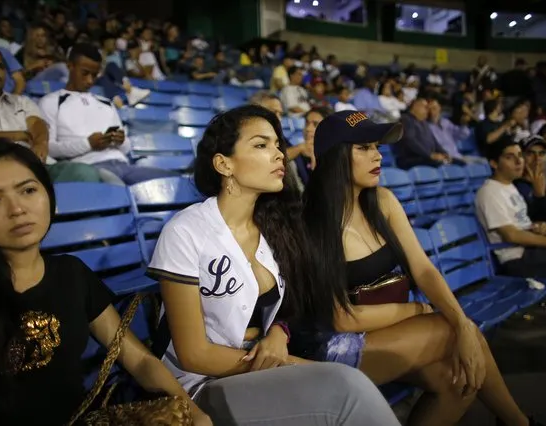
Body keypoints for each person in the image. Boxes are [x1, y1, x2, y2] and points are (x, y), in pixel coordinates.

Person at [0, 140, 212, 426]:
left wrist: (192, 412)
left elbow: (138, 360)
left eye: (28, 190)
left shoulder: (71, 273)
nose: (17, 209)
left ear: (49, 197)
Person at [147, 105, 402, 426]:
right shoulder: (185, 231)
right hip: (199, 386)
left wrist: (279, 333)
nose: (279, 153)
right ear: (223, 164)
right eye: (261, 145)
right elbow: (193, 354)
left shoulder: (275, 225)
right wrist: (289, 364)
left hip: (260, 370)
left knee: (349, 384)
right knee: (346, 386)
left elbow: (289, 308)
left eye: (277, 144)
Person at [291, 110, 544, 426]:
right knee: (451, 331)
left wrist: (463, 324)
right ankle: (519, 423)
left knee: (460, 380)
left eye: (378, 147)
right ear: (335, 157)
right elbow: (341, 319)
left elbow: (423, 269)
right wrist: (417, 311)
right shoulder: (312, 222)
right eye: (364, 148)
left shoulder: (382, 200)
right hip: (328, 348)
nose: (378, 155)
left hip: (381, 331)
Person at [0, 44, 106, 184]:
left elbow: (37, 125)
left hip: (35, 165)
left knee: (83, 172)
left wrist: (41, 143)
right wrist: (17, 135)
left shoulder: (21, 101)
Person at [39, 43, 177, 185]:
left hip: (124, 165)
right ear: (70, 66)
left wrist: (121, 140)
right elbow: (49, 148)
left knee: (176, 182)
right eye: (85, 73)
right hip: (89, 167)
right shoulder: (51, 102)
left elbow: (126, 147)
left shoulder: (106, 102)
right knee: (116, 186)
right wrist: (88, 144)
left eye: (94, 75)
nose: (90, 81)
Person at [475, 137, 546, 278]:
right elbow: (511, 234)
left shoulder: (510, 187)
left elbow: (519, 225)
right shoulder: (489, 192)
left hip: (530, 251)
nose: (519, 161)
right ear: (494, 163)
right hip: (517, 259)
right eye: (509, 157)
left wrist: (537, 227)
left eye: (520, 155)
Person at [513, 135, 546, 236]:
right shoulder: (515, 187)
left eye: (542, 153)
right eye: (530, 153)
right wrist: (539, 196)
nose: (537, 159)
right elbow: (531, 226)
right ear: (521, 157)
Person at [394, 97, 458, 169]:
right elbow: (410, 141)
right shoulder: (406, 119)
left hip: (425, 157)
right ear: (416, 106)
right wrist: (430, 155)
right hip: (410, 159)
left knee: (457, 162)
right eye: (425, 107)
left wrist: (445, 153)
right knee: (441, 163)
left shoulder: (423, 122)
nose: (428, 111)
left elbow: (434, 142)